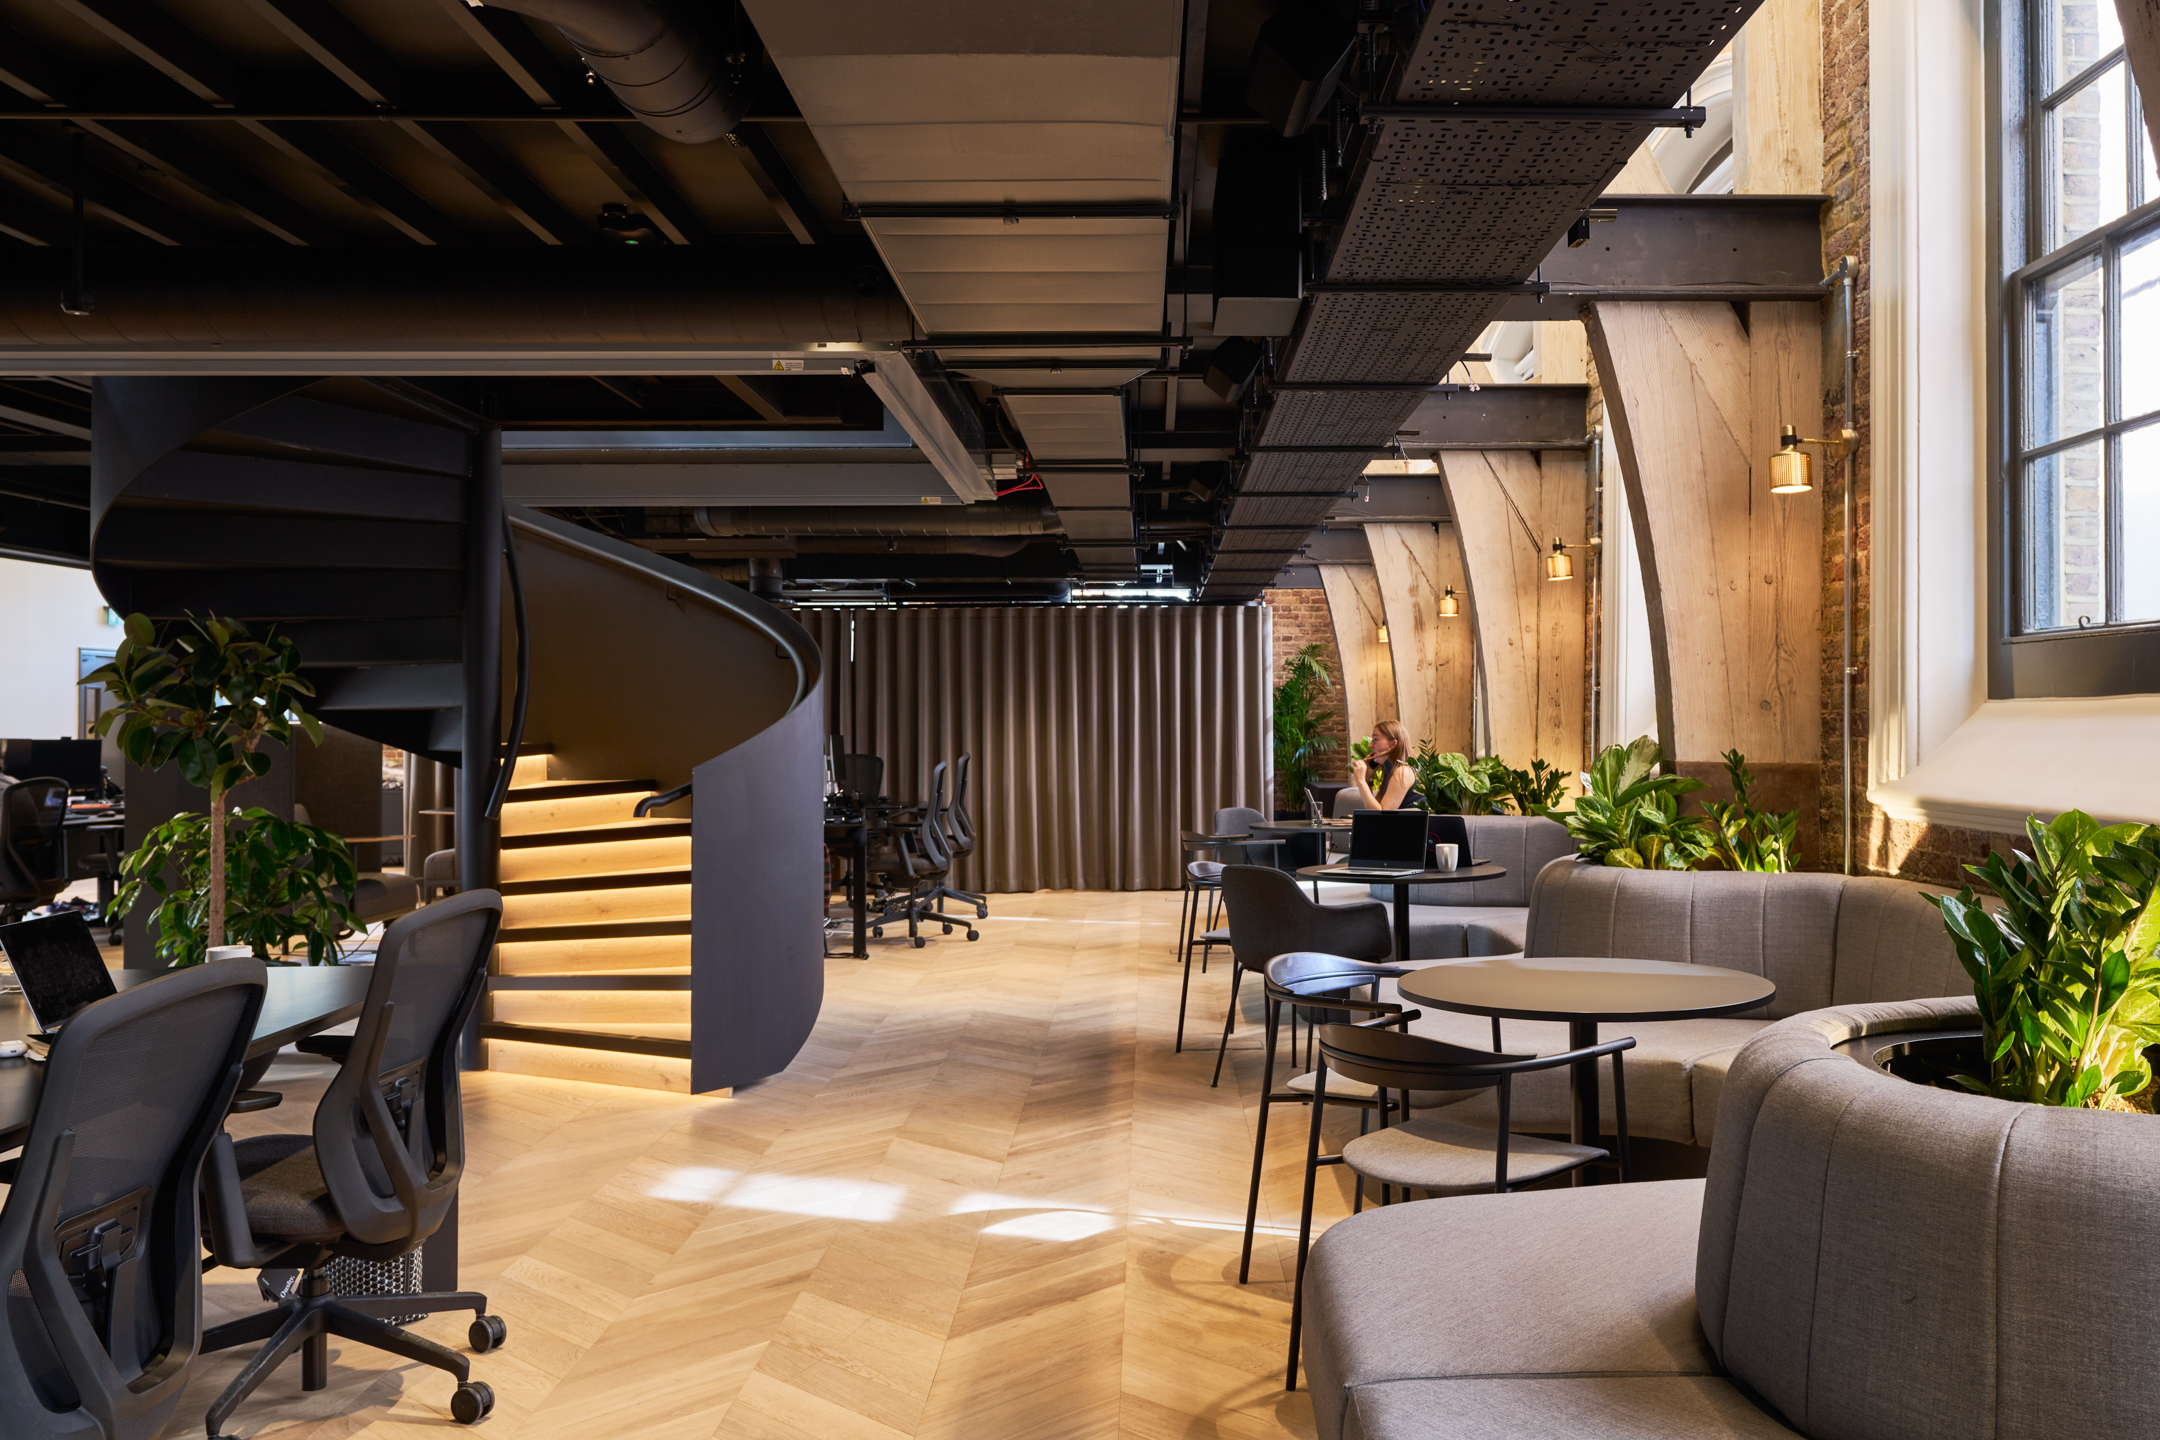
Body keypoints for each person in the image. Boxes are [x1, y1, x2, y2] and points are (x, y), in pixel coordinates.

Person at [1347, 719, 1419, 810]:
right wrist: (1367, 779)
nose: (1370, 745)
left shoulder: (1403, 772)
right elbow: (1372, 810)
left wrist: (1361, 781)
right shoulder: (1390, 771)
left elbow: (1381, 817)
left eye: (1376, 739)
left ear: (1393, 744)